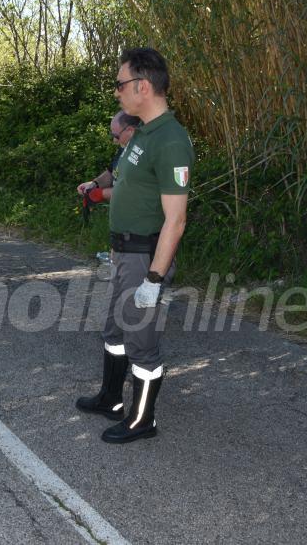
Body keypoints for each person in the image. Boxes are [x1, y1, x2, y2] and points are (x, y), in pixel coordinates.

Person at [75, 48, 194, 444]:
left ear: (143, 86)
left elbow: (175, 220)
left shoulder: (171, 140)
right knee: (114, 330)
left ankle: (143, 419)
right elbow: (122, 184)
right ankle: (112, 398)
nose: (116, 91)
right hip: (124, 254)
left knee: (141, 342)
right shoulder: (141, 132)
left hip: (145, 258)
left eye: (120, 83)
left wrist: (154, 279)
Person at [76, 110, 140, 204]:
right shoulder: (124, 146)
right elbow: (112, 172)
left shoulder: (142, 155)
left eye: (116, 136)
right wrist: (94, 184)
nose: (114, 141)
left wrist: (102, 194)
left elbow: (135, 191)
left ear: (130, 131)